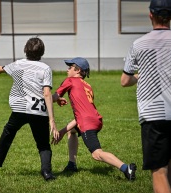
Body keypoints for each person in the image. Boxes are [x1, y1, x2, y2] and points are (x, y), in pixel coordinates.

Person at [0, 37, 59, 181]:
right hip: (38, 111)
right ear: (42, 52)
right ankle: (47, 173)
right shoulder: (45, 68)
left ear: (25, 50)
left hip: (20, 109)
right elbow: (46, 93)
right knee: (43, 144)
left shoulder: (18, 64)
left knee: (8, 134)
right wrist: (51, 119)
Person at [52, 57, 137, 181]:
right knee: (72, 131)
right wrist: (63, 131)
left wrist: (50, 96)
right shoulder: (87, 85)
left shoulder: (70, 80)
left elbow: (53, 97)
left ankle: (126, 168)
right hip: (95, 120)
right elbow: (81, 116)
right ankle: (72, 164)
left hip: (87, 123)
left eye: (70, 67)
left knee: (97, 154)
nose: (67, 69)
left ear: (77, 70)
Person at [121, 0, 171, 192]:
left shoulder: (139, 44)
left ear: (150, 15)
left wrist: (138, 77)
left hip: (153, 114)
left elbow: (125, 81)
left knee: (159, 171)